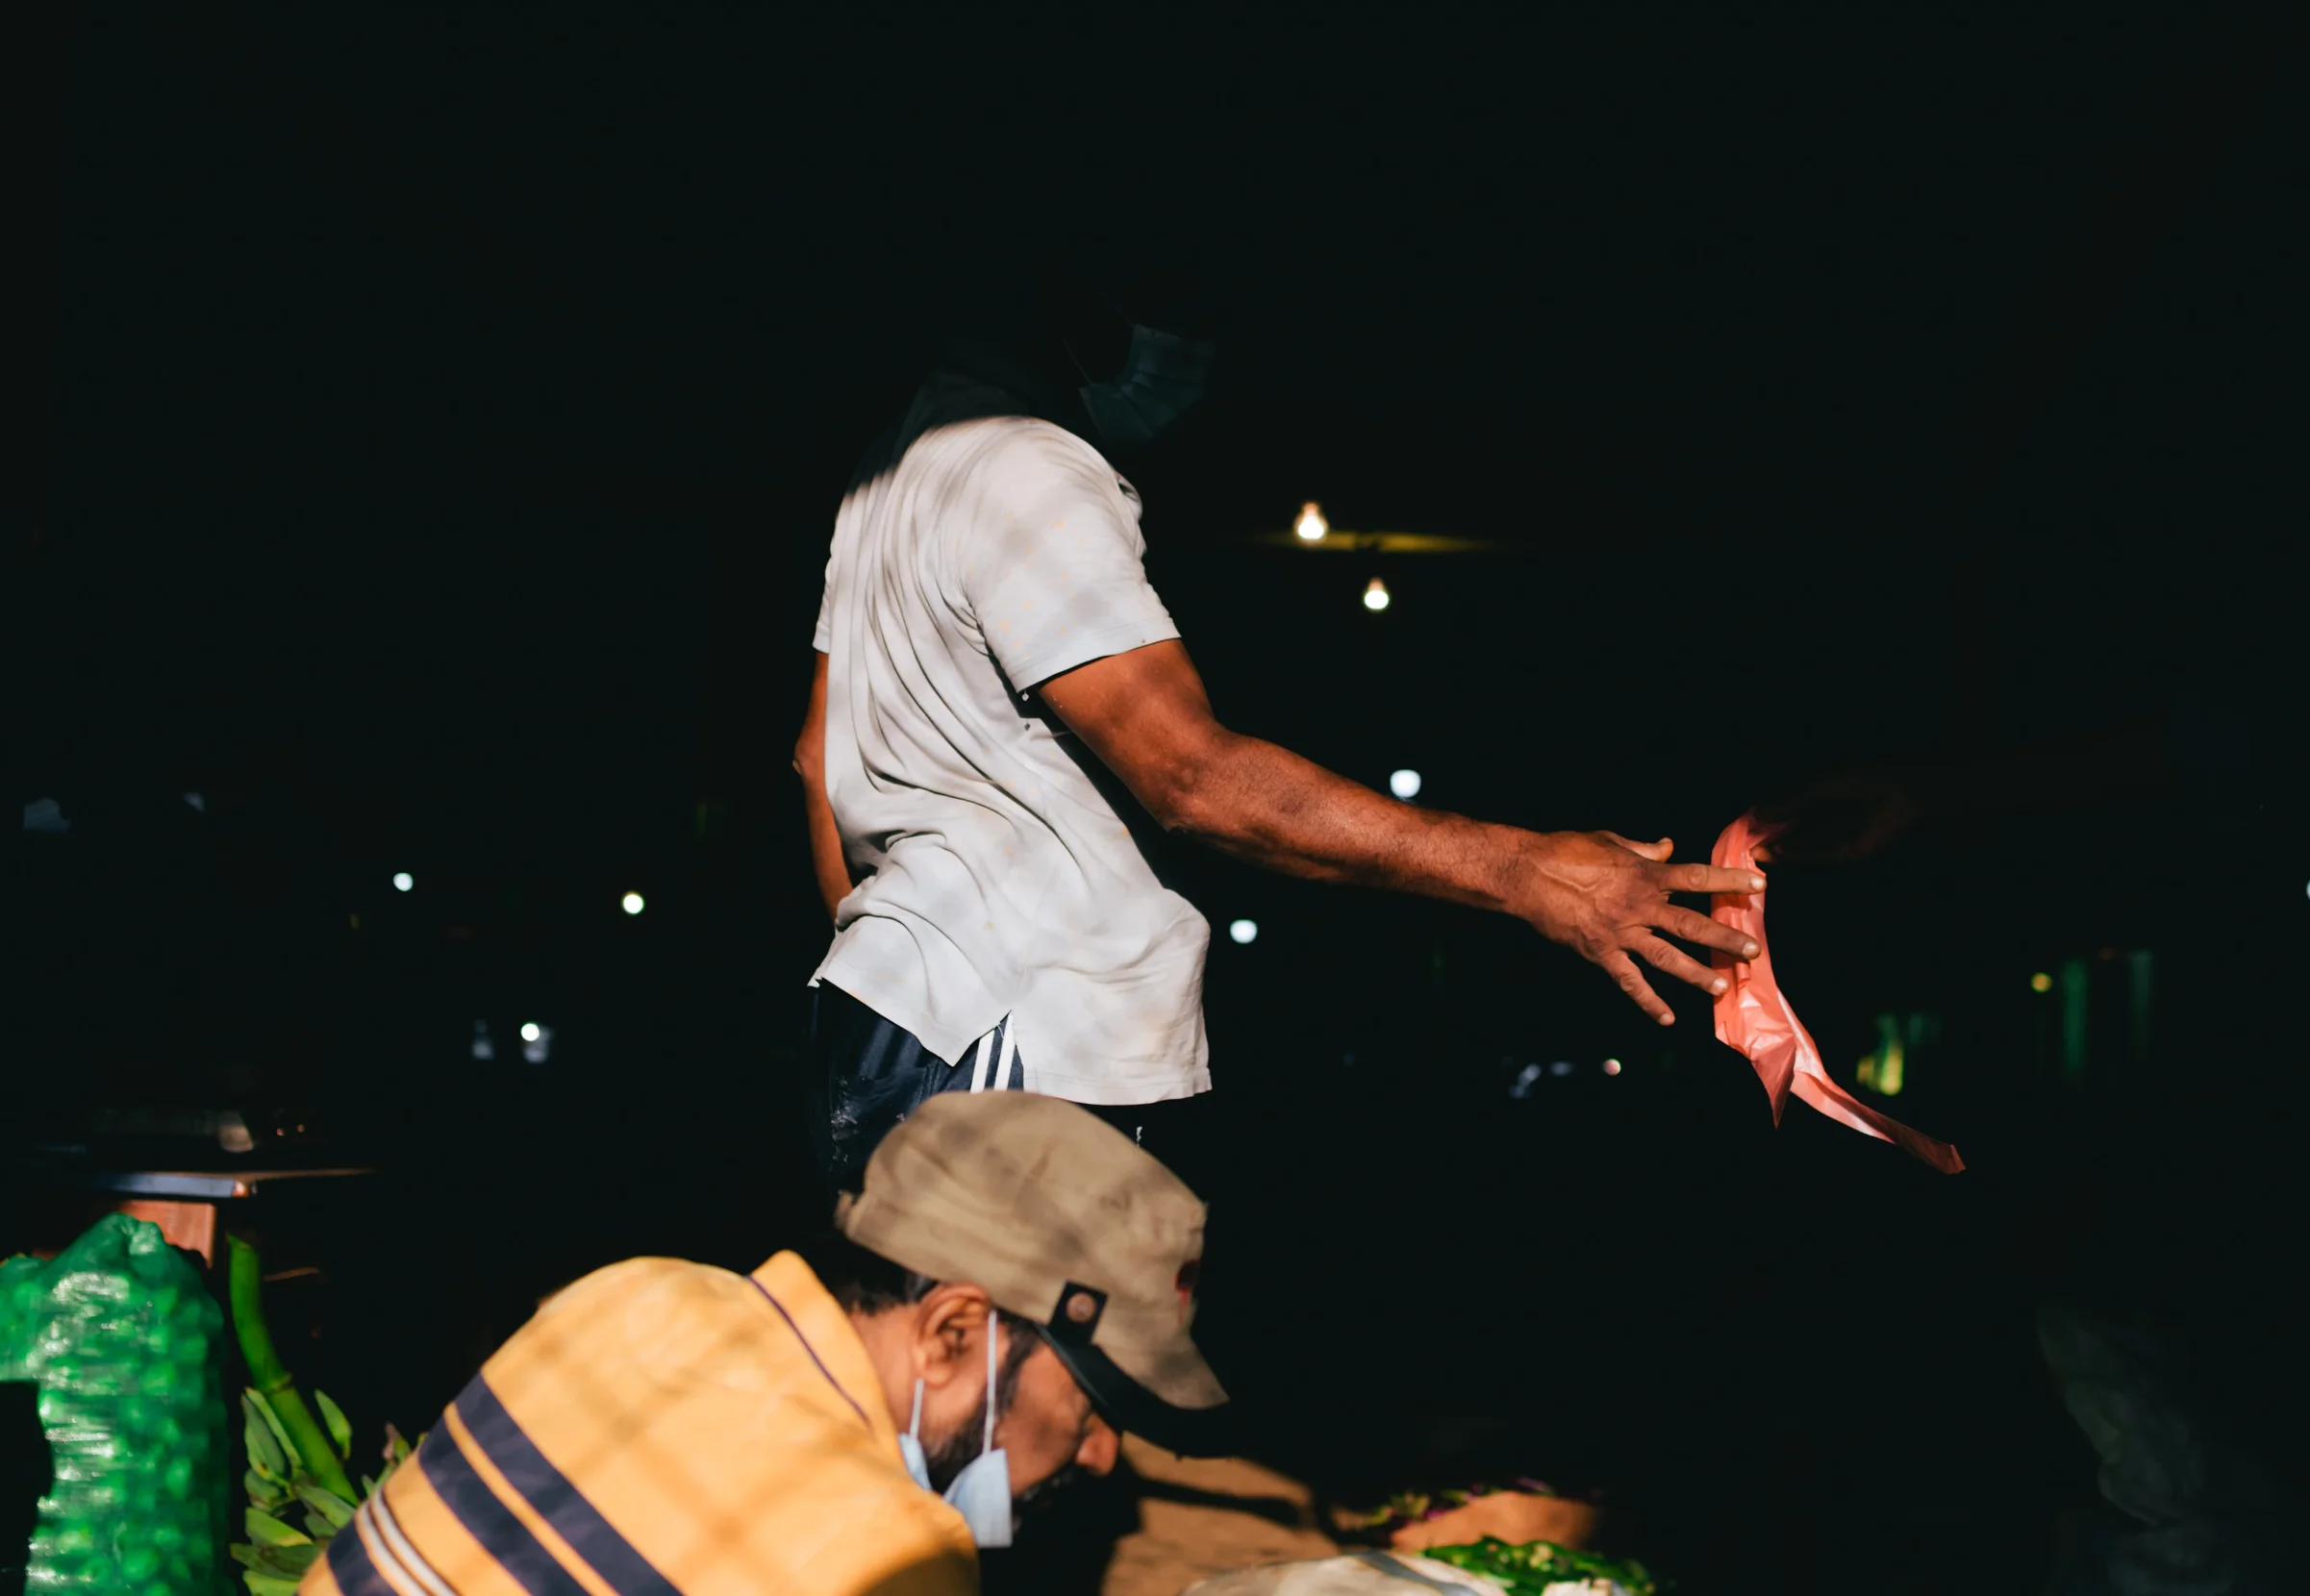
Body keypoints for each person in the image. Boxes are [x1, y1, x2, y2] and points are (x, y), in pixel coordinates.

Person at [796, 264, 1767, 1189]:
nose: (1193, 333)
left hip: (903, 1032)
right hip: (1016, 1037)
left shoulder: (889, 469)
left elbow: (813, 761)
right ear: (1069, 289)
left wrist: (889, 964)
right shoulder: (1025, 464)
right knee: (1020, 1364)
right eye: (1168, 293)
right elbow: (1188, 776)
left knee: (931, 1360)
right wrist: (1529, 872)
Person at [300, 1091, 1226, 1596]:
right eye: (1091, 1401)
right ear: (952, 1332)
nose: (1103, 1454)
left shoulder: (632, 1291)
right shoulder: (892, 1551)